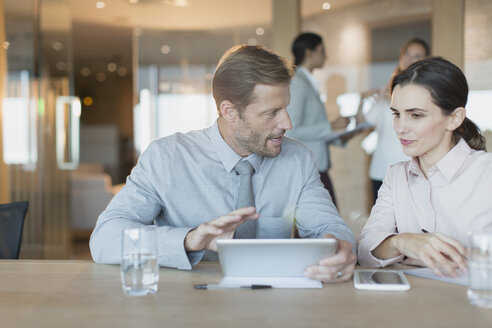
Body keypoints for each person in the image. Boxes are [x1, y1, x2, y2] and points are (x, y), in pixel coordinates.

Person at [90, 45, 356, 283]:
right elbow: (105, 239)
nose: (287, 123)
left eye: (285, 107)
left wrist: (339, 246)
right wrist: (188, 239)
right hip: (186, 306)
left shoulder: (298, 159)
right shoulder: (166, 157)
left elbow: (329, 227)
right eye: (271, 113)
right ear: (229, 111)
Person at [357, 57, 491, 277]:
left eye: (416, 115)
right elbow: (365, 249)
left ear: (454, 119)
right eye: (396, 114)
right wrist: (403, 242)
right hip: (413, 304)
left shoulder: (486, 173)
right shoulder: (396, 176)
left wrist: (447, 254)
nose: (400, 128)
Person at [286, 32, 353, 206]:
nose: (326, 55)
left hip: (317, 167)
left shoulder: (308, 82)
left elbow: (314, 130)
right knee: (324, 222)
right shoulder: (298, 83)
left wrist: (342, 135)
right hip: (309, 169)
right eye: (322, 50)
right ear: (309, 53)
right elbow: (291, 129)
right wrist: (331, 126)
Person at [364, 38, 430, 204]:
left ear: (425, 60)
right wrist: (380, 98)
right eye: (407, 53)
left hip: (412, 168)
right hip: (381, 168)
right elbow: (370, 118)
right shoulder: (388, 88)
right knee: (382, 224)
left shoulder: (429, 90)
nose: (409, 59)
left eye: (416, 55)